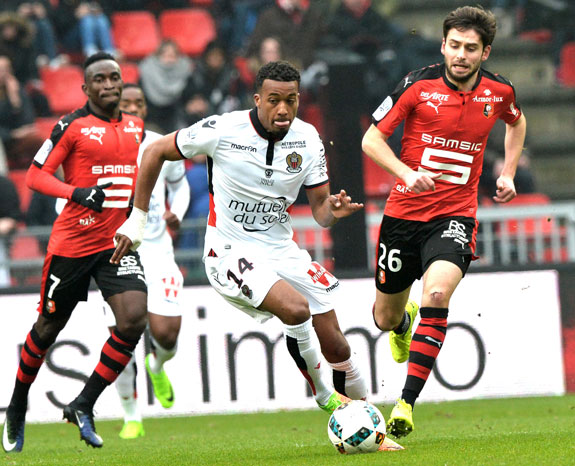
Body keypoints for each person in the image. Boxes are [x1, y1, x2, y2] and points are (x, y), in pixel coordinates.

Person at [113, 61, 369, 417]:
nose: (283, 109)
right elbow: (154, 152)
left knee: (338, 347)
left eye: (291, 100)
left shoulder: (308, 138)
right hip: (229, 251)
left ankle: (366, 422)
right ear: (257, 99)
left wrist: (332, 211)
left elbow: (320, 212)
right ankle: (326, 395)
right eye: (274, 100)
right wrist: (137, 222)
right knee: (295, 310)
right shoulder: (223, 129)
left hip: (281, 249)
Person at [361, 6, 527, 438]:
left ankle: (405, 403)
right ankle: (401, 323)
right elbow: (371, 139)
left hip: (454, 215)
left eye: (471, 48)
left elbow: (517, 121)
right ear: (443, 46)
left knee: (437, 291)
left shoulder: (499, 92)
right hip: (403, 216)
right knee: (383, 317)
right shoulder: (417, 86)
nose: (461, 55)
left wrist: (507, 171)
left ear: (484, 52)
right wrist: (405, 173)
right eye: (454, 46)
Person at [1, 52, 148, 453]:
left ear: (122, 82)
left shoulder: (136, 127)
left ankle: (83, 403)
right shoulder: (71, 126)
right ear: (86, 88)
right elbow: (34, 176)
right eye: (98, 79)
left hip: (114, 245)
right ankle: (16, 405)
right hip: (72, 246)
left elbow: (135, 179)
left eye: (114, 78)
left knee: (134, 318)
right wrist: (77, 193)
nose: (108, 85)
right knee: (48, 330)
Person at [104, 83, 190, 439]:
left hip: (157, 251)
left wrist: (177, 214)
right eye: (128, 103)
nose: (135, 108)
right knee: (121, 338)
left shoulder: (157, 143)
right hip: (116, 256)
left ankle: (157, 364)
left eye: (140, 103)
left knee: (167, 334)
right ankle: (131, 417)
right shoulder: (101, 147)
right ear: (115, 106)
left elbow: (180, 186)